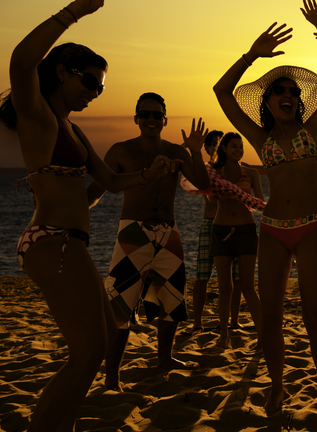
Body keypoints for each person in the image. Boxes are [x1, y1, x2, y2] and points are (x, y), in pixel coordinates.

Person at [0, 2, 178, 430]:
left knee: (102, 343)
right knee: (88, 352)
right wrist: (73, 11)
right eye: (90, 81)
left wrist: (147, 174)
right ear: (62, 71)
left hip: (69, 242)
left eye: (100, 87)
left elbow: (109, 183)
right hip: (52, 240)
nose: (94, 92)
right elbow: (21, 61)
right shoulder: (38, 115)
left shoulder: (72, 128)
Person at [212, 0, 317, 416]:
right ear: (268, 102)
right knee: (270, 316)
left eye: (294, 91)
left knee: (314, 315)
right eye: (280, 90)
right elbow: (221, 91)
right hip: (272, 229)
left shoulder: (314, 127)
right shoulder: (258, 138)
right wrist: (251, 55)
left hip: (312, 227)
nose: (288, 94)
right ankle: (278, 386)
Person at [86, 92, 211, 391]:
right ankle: (112, 375)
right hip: (133, 233)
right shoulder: (121, 150)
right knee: (120, 307)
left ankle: (164, 358)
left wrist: (195, 150)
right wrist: (66, 211)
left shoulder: (175, 152)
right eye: (146, 114)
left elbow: (204, 185)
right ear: (136, 118)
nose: (151, 119)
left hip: (169, 232)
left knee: (171, 299)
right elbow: (97, 191)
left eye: (157, 115)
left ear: (165, 119)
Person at [208, 132, 265, 348]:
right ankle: (224, 335)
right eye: (234, 146)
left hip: (246, 230)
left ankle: (262, 336)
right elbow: (210, 198)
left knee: (249, 286)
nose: (238, 150)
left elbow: (259, 201)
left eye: (241, 146)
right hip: (221, 230)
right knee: (225, 287)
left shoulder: (250, 173)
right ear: (224, 148)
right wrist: (220, 191)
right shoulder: (214, 172)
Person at [192, 131, 245, 334]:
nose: (216, 147)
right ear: (206, 148)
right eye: (212, 144)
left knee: (237, 277)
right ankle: (198, 322)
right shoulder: (207, 170)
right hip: (210, 224)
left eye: (219, 143)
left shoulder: (233, 168)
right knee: (203, 275)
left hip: (236, 225)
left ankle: (234, 320)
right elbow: (210, 198)